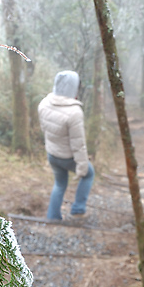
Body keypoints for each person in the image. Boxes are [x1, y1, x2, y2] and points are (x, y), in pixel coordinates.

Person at [38, 70, 95, 221]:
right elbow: (78, 145)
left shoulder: (44, 103)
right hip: (67, 157)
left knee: (60, 184)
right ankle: (78, 210)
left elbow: (44, 130)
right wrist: (82, 166)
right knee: (89, 174)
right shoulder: (74, 112)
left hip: (52, 154)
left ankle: (53, 217)